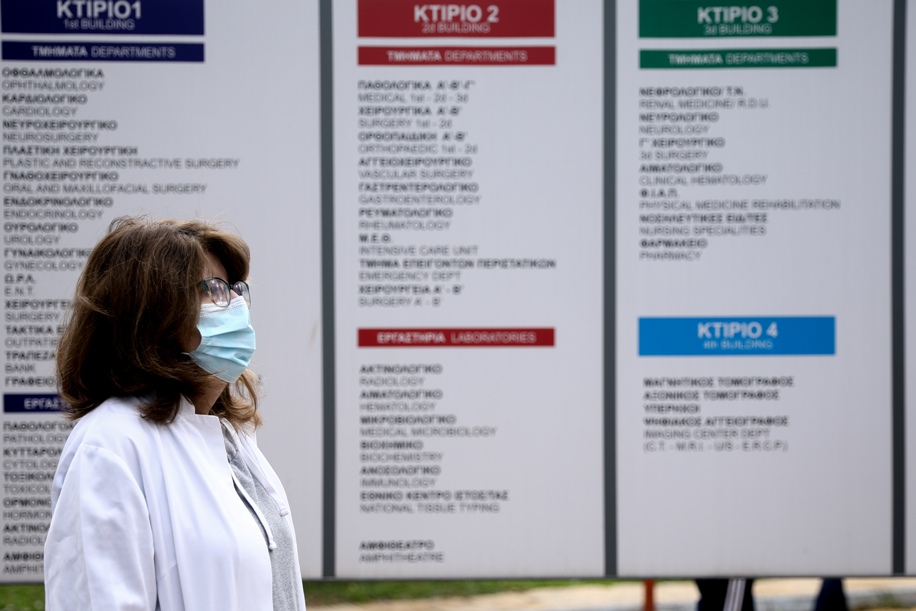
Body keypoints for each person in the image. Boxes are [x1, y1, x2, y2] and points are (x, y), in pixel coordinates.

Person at [44, 216, 307, 610]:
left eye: (234, 289)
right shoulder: (110, 446)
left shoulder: (228, 436)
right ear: (151, 312)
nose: (236, 305)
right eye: (213, 290)